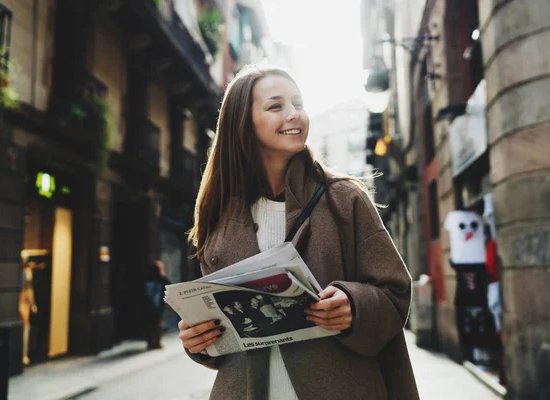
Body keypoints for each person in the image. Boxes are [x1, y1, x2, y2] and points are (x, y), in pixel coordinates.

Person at [178, 65, 418, 399]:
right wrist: (198, 340)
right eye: (276, 106)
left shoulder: (345, 199)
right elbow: (225, 335)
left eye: (299, 103)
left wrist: (353, 304)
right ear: (243, 124)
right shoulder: (218, 215)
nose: (294, 115)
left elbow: (395, 292)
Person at [144, 260, 171, 350]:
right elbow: (169, 286)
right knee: (157, 324)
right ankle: (156, 343)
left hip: (148, 305)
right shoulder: (161, 278)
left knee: (149, 324)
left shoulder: (147, 278)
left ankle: (150, 343)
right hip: (157, 306)